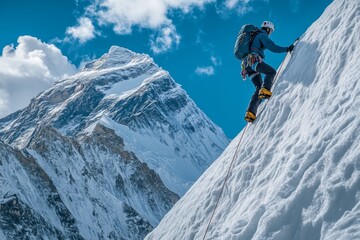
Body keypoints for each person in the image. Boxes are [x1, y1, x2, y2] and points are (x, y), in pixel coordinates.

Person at [243, 21, 294, 122]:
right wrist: (287, 49)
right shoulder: (262, 35)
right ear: (268, 29)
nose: (270, 33)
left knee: (258, 87)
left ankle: (250, 113)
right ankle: (265, 90)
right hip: (254, 60)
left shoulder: (254, 36)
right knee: (271, 72)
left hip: (246, 66)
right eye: (270, 31)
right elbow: (272, 47)